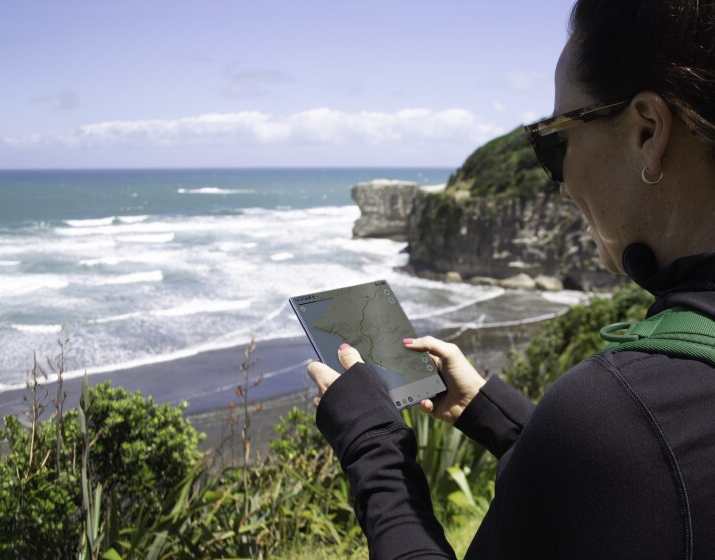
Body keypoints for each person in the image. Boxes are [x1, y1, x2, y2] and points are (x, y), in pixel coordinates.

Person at [306, 1, 715, 558]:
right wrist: (489, 411)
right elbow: (644, 482)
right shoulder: (652, 418)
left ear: (647, 132)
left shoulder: (622, 407)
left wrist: (372, 446)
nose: (560, 182)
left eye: (555, 141)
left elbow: (635, 449)